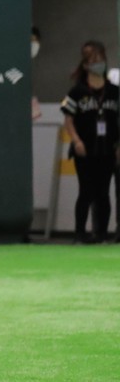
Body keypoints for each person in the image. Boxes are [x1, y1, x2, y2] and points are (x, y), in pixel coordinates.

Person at [60, 40, 119, 244]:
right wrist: (76, 141)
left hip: (107, 149)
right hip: (85, 149)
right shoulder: (77, 92)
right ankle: (80, 233)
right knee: (86, 191)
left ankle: (101, 233)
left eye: (101, 59)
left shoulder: (114, 91)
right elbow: (68, 120)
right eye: (94, 60)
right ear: (85, 65)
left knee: (104, 193)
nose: (99, 64)